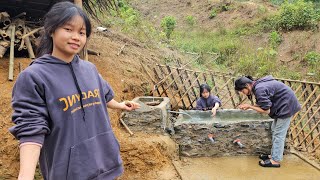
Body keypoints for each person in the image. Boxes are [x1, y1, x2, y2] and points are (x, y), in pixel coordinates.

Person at [9, 2, 140, 179]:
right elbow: (31, 129)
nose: (76, 37)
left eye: (81, 32)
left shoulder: (89, 69)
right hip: (70, 173)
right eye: (68, 29)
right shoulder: (34, 77)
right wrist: (26, 176)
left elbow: (102, 95)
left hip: (106, 165)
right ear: (51, 30)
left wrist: (120, 105)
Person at [235, 75, 301, 168]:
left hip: (287, 107)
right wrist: (251, 105)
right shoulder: (258, 85)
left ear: (247, 85)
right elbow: (264, 103)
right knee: (274, 129)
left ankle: (275, 160)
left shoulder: (259, 89)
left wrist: (250, 106)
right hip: (282, 104)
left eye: (242, 91)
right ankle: (274, 155)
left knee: (279, 134)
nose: (243, 93)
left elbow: (266, 110)